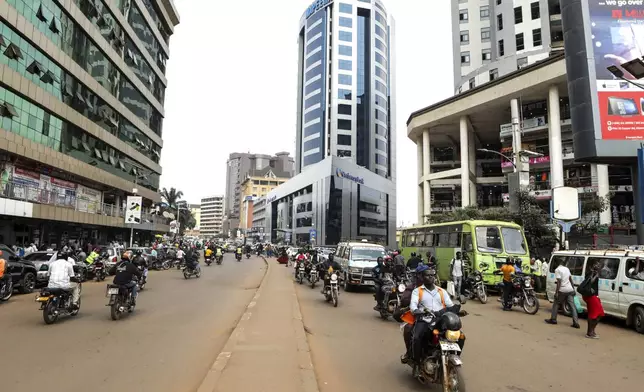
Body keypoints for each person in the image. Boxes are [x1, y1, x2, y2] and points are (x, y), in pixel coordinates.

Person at [409, 268, 455, 377]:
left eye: (432, 275)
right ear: (422, 277)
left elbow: (450, 305)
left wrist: (456, 310)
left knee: (459, 336)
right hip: (425, 320)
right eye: (427, 275)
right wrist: (418, 311)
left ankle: (452, 359)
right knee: (416, 338)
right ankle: (416, 364)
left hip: (441, 321)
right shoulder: (417, 291)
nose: (431, 277)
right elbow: (413, 306)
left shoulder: (441, 291)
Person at [545, 260, 580, 328]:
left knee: (556, 303)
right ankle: (576, 322)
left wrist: (556, 292)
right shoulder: (567, 269)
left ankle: (553, 319)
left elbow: (559, 282)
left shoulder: (557, 270)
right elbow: (570, 279)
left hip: (562, 290)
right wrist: (573, 289)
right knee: (572, 306)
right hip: (570, 289)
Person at [582, 260, 604, 339]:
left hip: (593, 295)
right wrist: (596, 275)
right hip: (590, 295)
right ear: (591, 266)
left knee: (595, 314)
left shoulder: (594, 272)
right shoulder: (590, 273)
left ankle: (590, 331)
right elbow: (590, 282)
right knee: (596, 314)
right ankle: (590, 332)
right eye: (596, 265)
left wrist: (599, 271)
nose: (597, 266)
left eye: (598, 265)